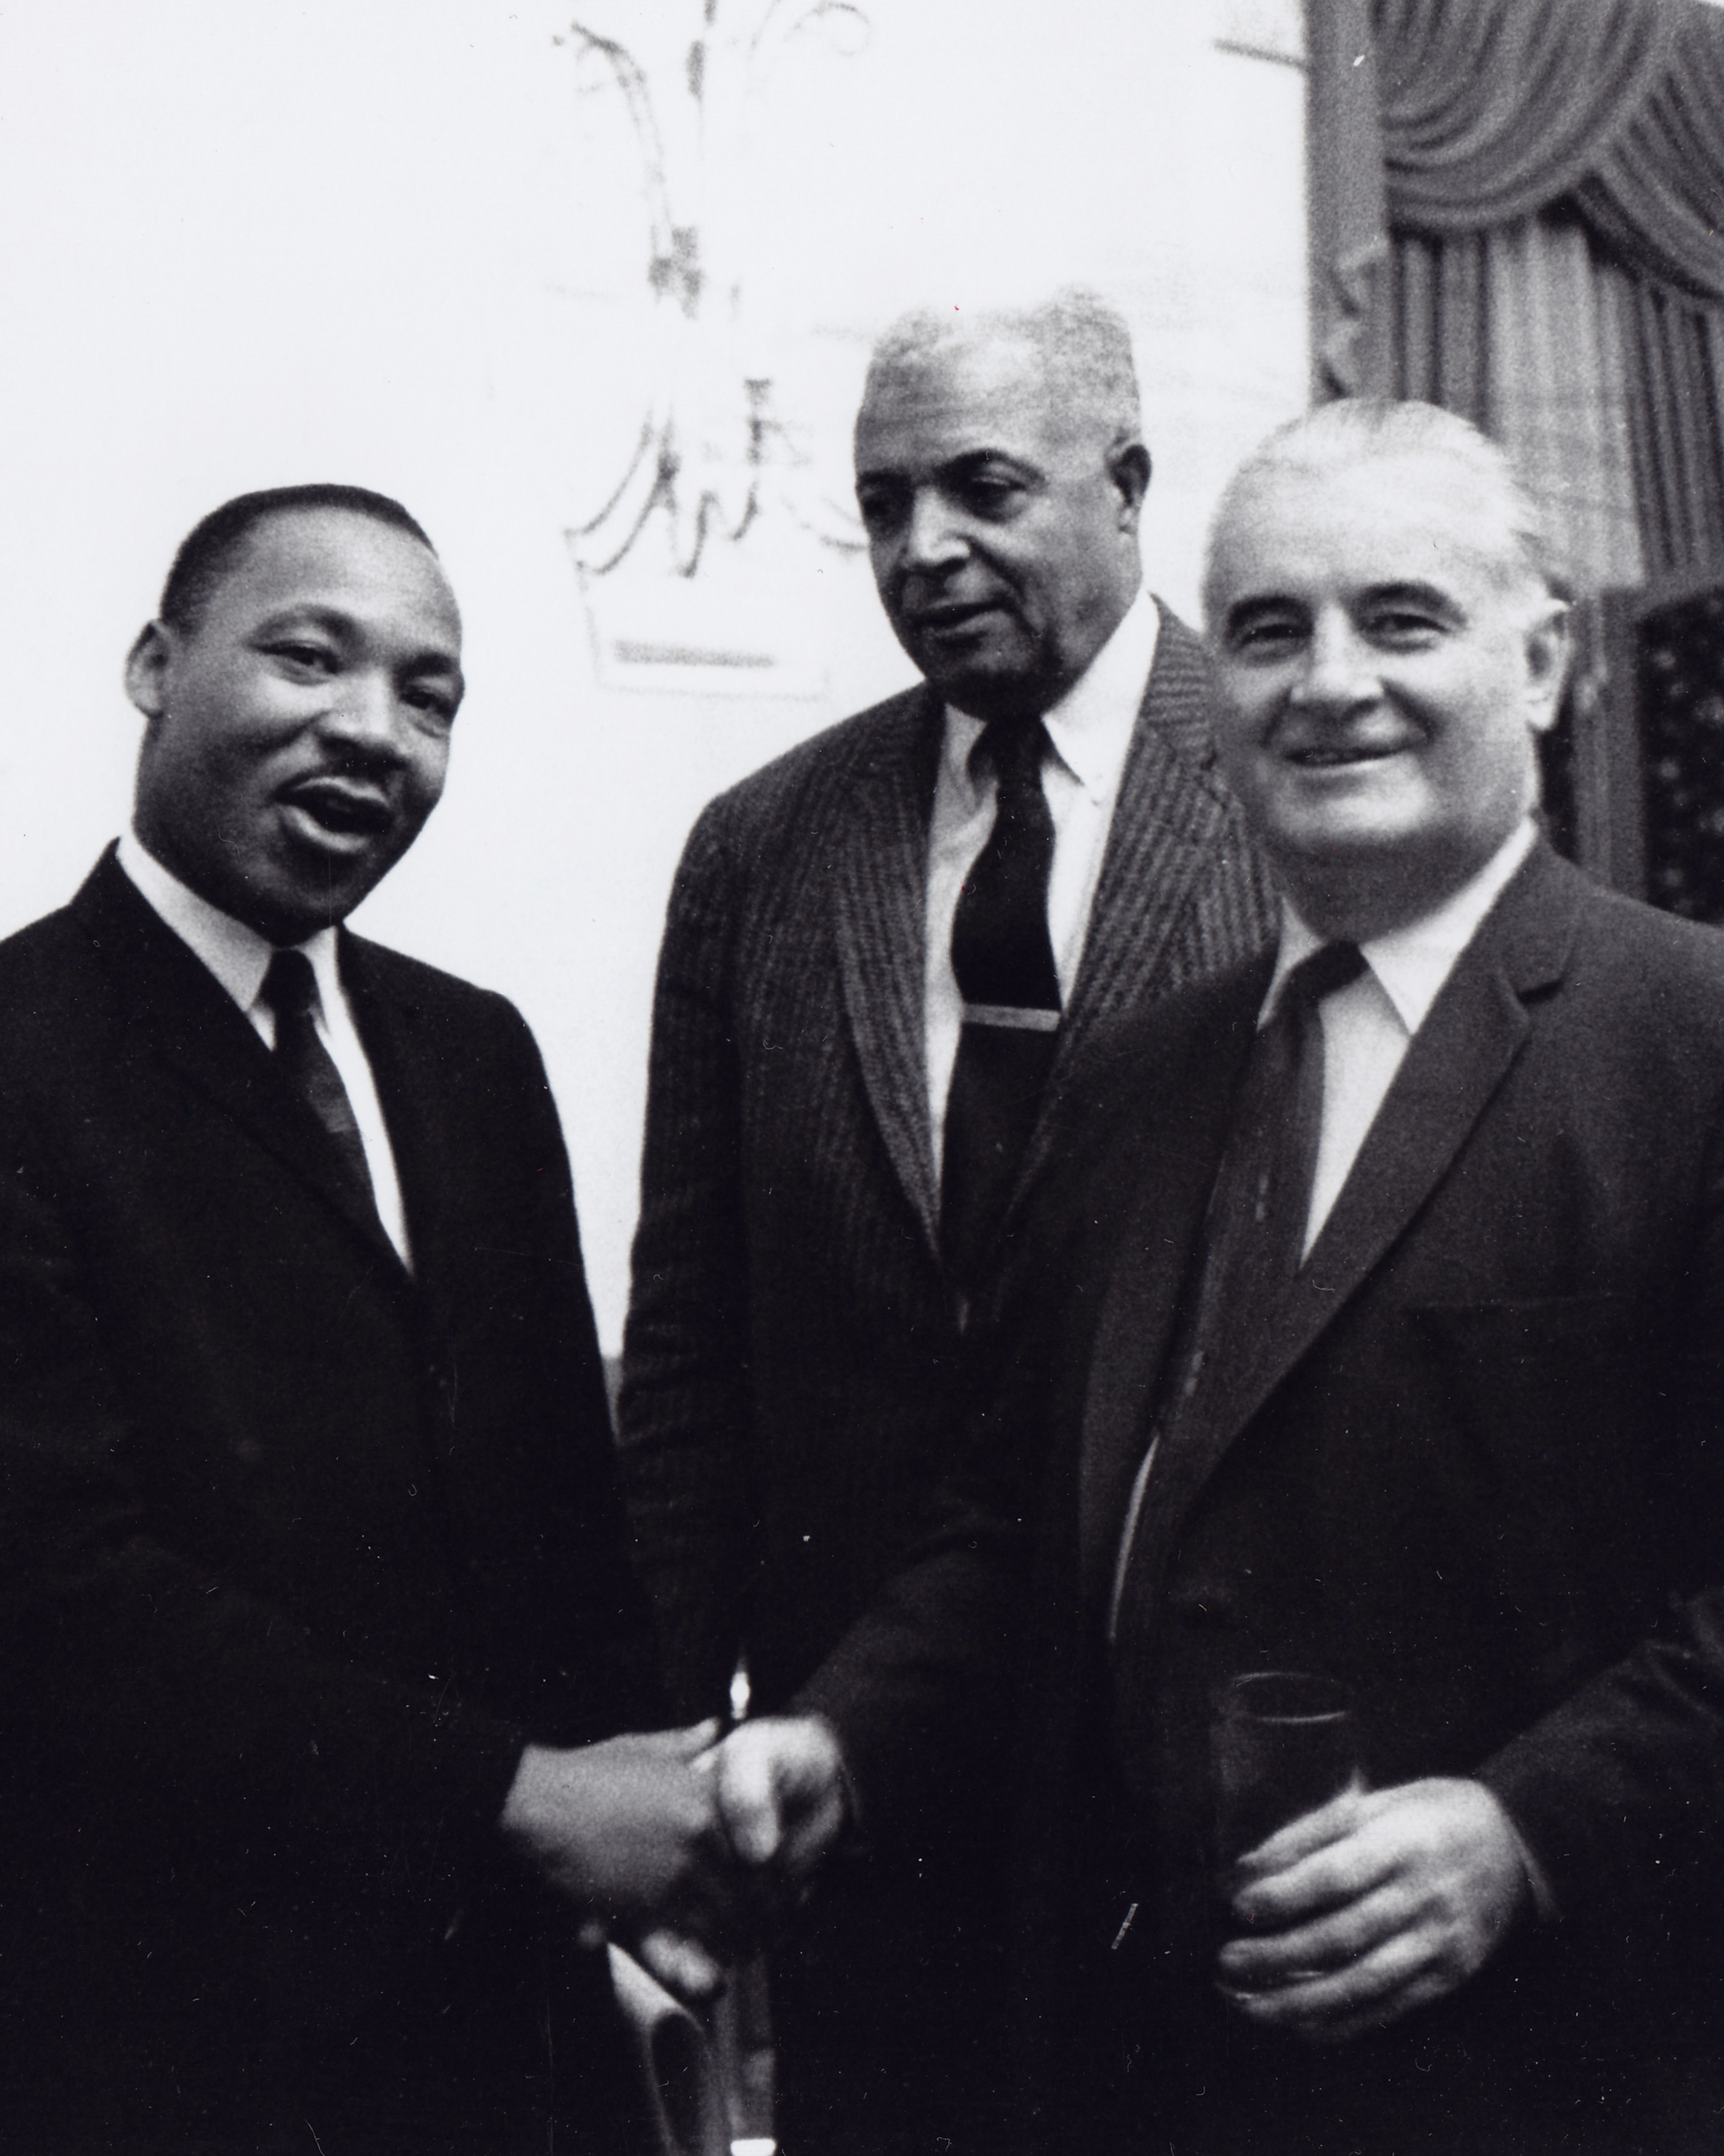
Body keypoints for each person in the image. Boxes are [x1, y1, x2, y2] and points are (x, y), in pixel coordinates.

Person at [716, 403, 1724, 2155]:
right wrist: (847, 1734)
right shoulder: (1138, 1081)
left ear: (1546, 662)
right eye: (1267, 629)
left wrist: (1527, 1830)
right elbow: (1019, 1526)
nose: (1328, 681)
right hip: (1155, 2067)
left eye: (1401, 618)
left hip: (1580, 2072)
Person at [0, 485, 727, 2156]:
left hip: (505, 2020)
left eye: (429, 694)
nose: (371, 728)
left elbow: (560, 1509)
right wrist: (522, 1800)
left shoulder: (475, 1054)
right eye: (308, 654)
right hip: (170, 2031)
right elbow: (54, 1603)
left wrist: (653, 1825)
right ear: (155, 664)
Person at [613, 289, 1277, 2151]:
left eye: (981, 488)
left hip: (1206, 1754)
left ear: (1130, 483)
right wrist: (679, 1753)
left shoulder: (1300, 787)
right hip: (859, 1770)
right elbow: (690, 1342)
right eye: (884, 502)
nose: (924, 551)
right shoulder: (763, 849)